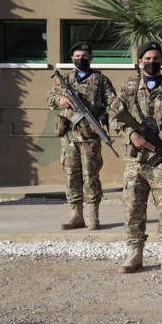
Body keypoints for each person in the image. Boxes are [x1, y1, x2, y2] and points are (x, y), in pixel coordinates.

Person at [110, 41, 162, 275]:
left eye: (155, 59)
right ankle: (134, 253)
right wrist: (130, 133)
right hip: (135, 160)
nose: (151, 62)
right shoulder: (129, 87)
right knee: (133, 208)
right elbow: (114, 117)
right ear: (139, 61)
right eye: (147, 59)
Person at [46, 41, 116, 231]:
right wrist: (60, 98)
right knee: (71, 176)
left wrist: (102, 119)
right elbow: (50, 97)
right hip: (69, 137)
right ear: (72, 58)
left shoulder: (101, 80)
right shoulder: (64, 80)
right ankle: (75, 215)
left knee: (91, 176)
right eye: (77, 57)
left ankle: (93, 216)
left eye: (84, 57)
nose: (81, 60)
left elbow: (113, 104)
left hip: (90, 137)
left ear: (90, 57)